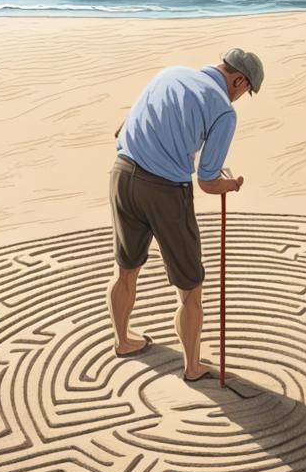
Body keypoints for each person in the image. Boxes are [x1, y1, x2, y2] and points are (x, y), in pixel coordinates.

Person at [107, 48, 265, 382]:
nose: (239, 97)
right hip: (165, 191)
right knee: (190, 287)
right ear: (238, 80)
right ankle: (193, 367)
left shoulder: (169, 72)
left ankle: (123, 341)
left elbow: (120, 131)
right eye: (244, 91)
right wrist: (231, 185)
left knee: (126, 268)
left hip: (122, 174)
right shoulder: (223, 111)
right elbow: (207, 181)